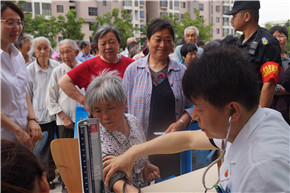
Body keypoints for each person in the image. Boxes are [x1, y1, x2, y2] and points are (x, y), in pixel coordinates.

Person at [103, 46, 290, 193]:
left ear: (232, 110)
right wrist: (133, 152)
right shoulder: (253, 121)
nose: (193, 116)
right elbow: (188, 139)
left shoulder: (262, 170)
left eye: (199, 108)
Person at [122, 19, 193, 179]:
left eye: (168, 40)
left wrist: (180, 123)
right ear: (148, 41)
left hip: (170, 146)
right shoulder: (133, 70)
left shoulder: (181, 72)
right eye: (158, 39)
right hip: (138, 146)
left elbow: (192, 106)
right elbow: (123, 108)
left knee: (169, 185)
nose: (163, 44)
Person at [85, 71, 160, 193]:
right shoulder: (95, 136)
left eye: (110, 108)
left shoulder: (132, 120)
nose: (105, 116)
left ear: (124, 103)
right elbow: (113, 178)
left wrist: (145, 165)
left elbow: (139, 150)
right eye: (97, 111)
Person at [58, 24, 134, 113]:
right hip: (100, 120)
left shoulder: (131, 65)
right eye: (103, 43)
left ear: (119, 43)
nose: (108, 46)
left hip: (126, 117)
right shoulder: (89, 65)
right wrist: (84, 101)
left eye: (112, 42)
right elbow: (63, 82)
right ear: (97, 46)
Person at [225, 0, 282, 108]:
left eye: (234, 16)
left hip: (254, 109)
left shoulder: (267, 42)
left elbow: (269, 84)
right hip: (238, 107)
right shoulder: (239, 42)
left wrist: (260, 117)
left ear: (246, 16)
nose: (231, 20)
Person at [1, 1, 42, 147]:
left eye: (19, 22)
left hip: (23, 137)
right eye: (10, 22)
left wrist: (32, 119)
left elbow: (22, 88)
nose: (17, 28)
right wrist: (16, 130)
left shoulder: (17, 55)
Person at [27, 36, 59, 189]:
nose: (42, 51)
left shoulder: (56, 67)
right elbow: (27, 95)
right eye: (39, 48)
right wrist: (31, 118)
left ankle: (54, 176)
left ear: (50, 50)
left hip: (57, 115)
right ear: (34, 51)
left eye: (45, 48)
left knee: (56, 148)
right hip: (40, 118)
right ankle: (45, 178)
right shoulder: (29, 70)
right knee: (41, 151)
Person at [46, 39, 82, 139]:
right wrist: (64, 118)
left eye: (68, 51)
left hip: (84, 120)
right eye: (62, 53)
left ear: (77, 52)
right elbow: (50, 98)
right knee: (66, 152)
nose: (65, 56)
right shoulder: (57, 71)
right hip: (65, 123)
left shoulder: (84, 68)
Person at [269, 25, 290, 124]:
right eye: (274, 37)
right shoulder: (269, 60)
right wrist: (287, 90)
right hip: (276, 109)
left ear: (287, 39)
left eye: (281, 36)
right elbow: (270, 86)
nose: (278, 39)